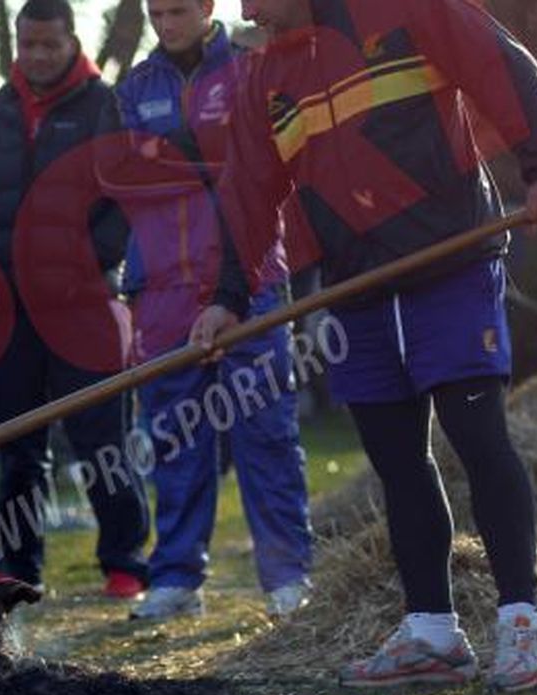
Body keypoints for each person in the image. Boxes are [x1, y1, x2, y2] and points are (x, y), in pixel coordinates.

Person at [192, 0, 537, 691]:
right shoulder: (260, 79)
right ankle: (433, 629)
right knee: (397, 461)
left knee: (477, 436)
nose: (243, 6)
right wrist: (226, 296)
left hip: (450, 265)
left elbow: (502, 66)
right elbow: (247, 191)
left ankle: (521, 618)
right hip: (356, 289)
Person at [98, 0, 312, 621]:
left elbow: (267, 163)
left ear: (209, 6)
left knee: (266, 432)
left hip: (252, 275)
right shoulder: (133, 88)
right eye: (157, 13)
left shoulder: (252, 69)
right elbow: (125, 176)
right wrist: (208, 153)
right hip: (161, 286)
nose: (168, 23)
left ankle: (287, 577)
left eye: (180, 10)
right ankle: (175, 578)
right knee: (173, 436)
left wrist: (179, 153)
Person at [0, 0, 151, 598]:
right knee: (18, 443)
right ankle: (16, 564)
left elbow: (126, 203)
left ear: (73, 41)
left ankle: (124, 563)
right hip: (8, 308)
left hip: (84, 306)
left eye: (49, 45)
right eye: (28, 45)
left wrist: (86, 266)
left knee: (101, 440)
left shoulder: (105, 106)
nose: (37, 57)